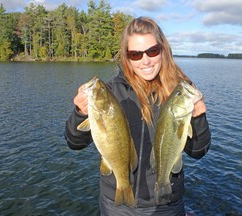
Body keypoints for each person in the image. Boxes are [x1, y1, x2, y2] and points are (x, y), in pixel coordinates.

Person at [65, 16, 211, 216]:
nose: (146, 60)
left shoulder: (181, 92)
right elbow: (75, 143)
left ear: (163, 50)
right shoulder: (111, 92)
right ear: (126, 57)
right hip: (116, 203)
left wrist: (198, 118)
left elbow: (198, 151)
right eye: (135, 54)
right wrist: (81, 113)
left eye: (152, 51)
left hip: (166, 203)